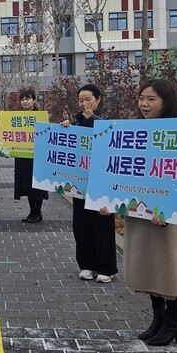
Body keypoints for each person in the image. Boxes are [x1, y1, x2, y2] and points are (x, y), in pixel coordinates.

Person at [122, 78, 177, 346]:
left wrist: (167, 209)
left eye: (151, 99)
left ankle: (173, 322)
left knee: (170, 264)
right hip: (142, 211)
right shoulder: (135, 132)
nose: (144, 104)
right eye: (141, 98)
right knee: (149, 263)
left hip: (169, 214)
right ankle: (158, 319)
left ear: (166, 101)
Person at [61, 84, 118, 283]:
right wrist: (65, 128)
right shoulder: (75, 122)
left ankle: (106, 268)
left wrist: (90, 118)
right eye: (81, 100)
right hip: (80, 183)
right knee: (82, 225)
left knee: (102, 224)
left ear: (98, 100)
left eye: (88, 99)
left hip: (102, 182)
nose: (84, 103)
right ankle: (86, 265)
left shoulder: (106, 123)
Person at [13, 88, 48, 223]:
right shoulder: (18, 118)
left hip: (37, 157)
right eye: (22, 99)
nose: (25, 101)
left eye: (28, 99)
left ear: (34, 100)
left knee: (36, 186)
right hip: (23, 156)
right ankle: (32, 212)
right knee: (27, 185)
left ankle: (37, 213)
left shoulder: (40, 117)